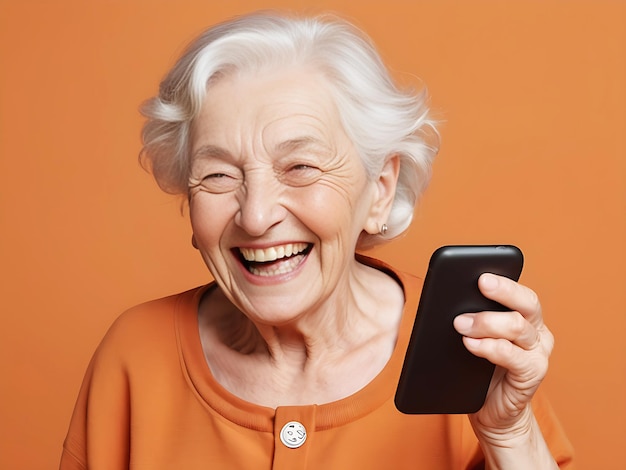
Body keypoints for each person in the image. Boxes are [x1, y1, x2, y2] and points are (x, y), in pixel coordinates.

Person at [60, 11, 574, 469]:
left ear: (379, 189)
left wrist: (510, 435)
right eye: (217, 176)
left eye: (300, 167)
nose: (257, 216)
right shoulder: (134, 355)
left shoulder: (468, 355)